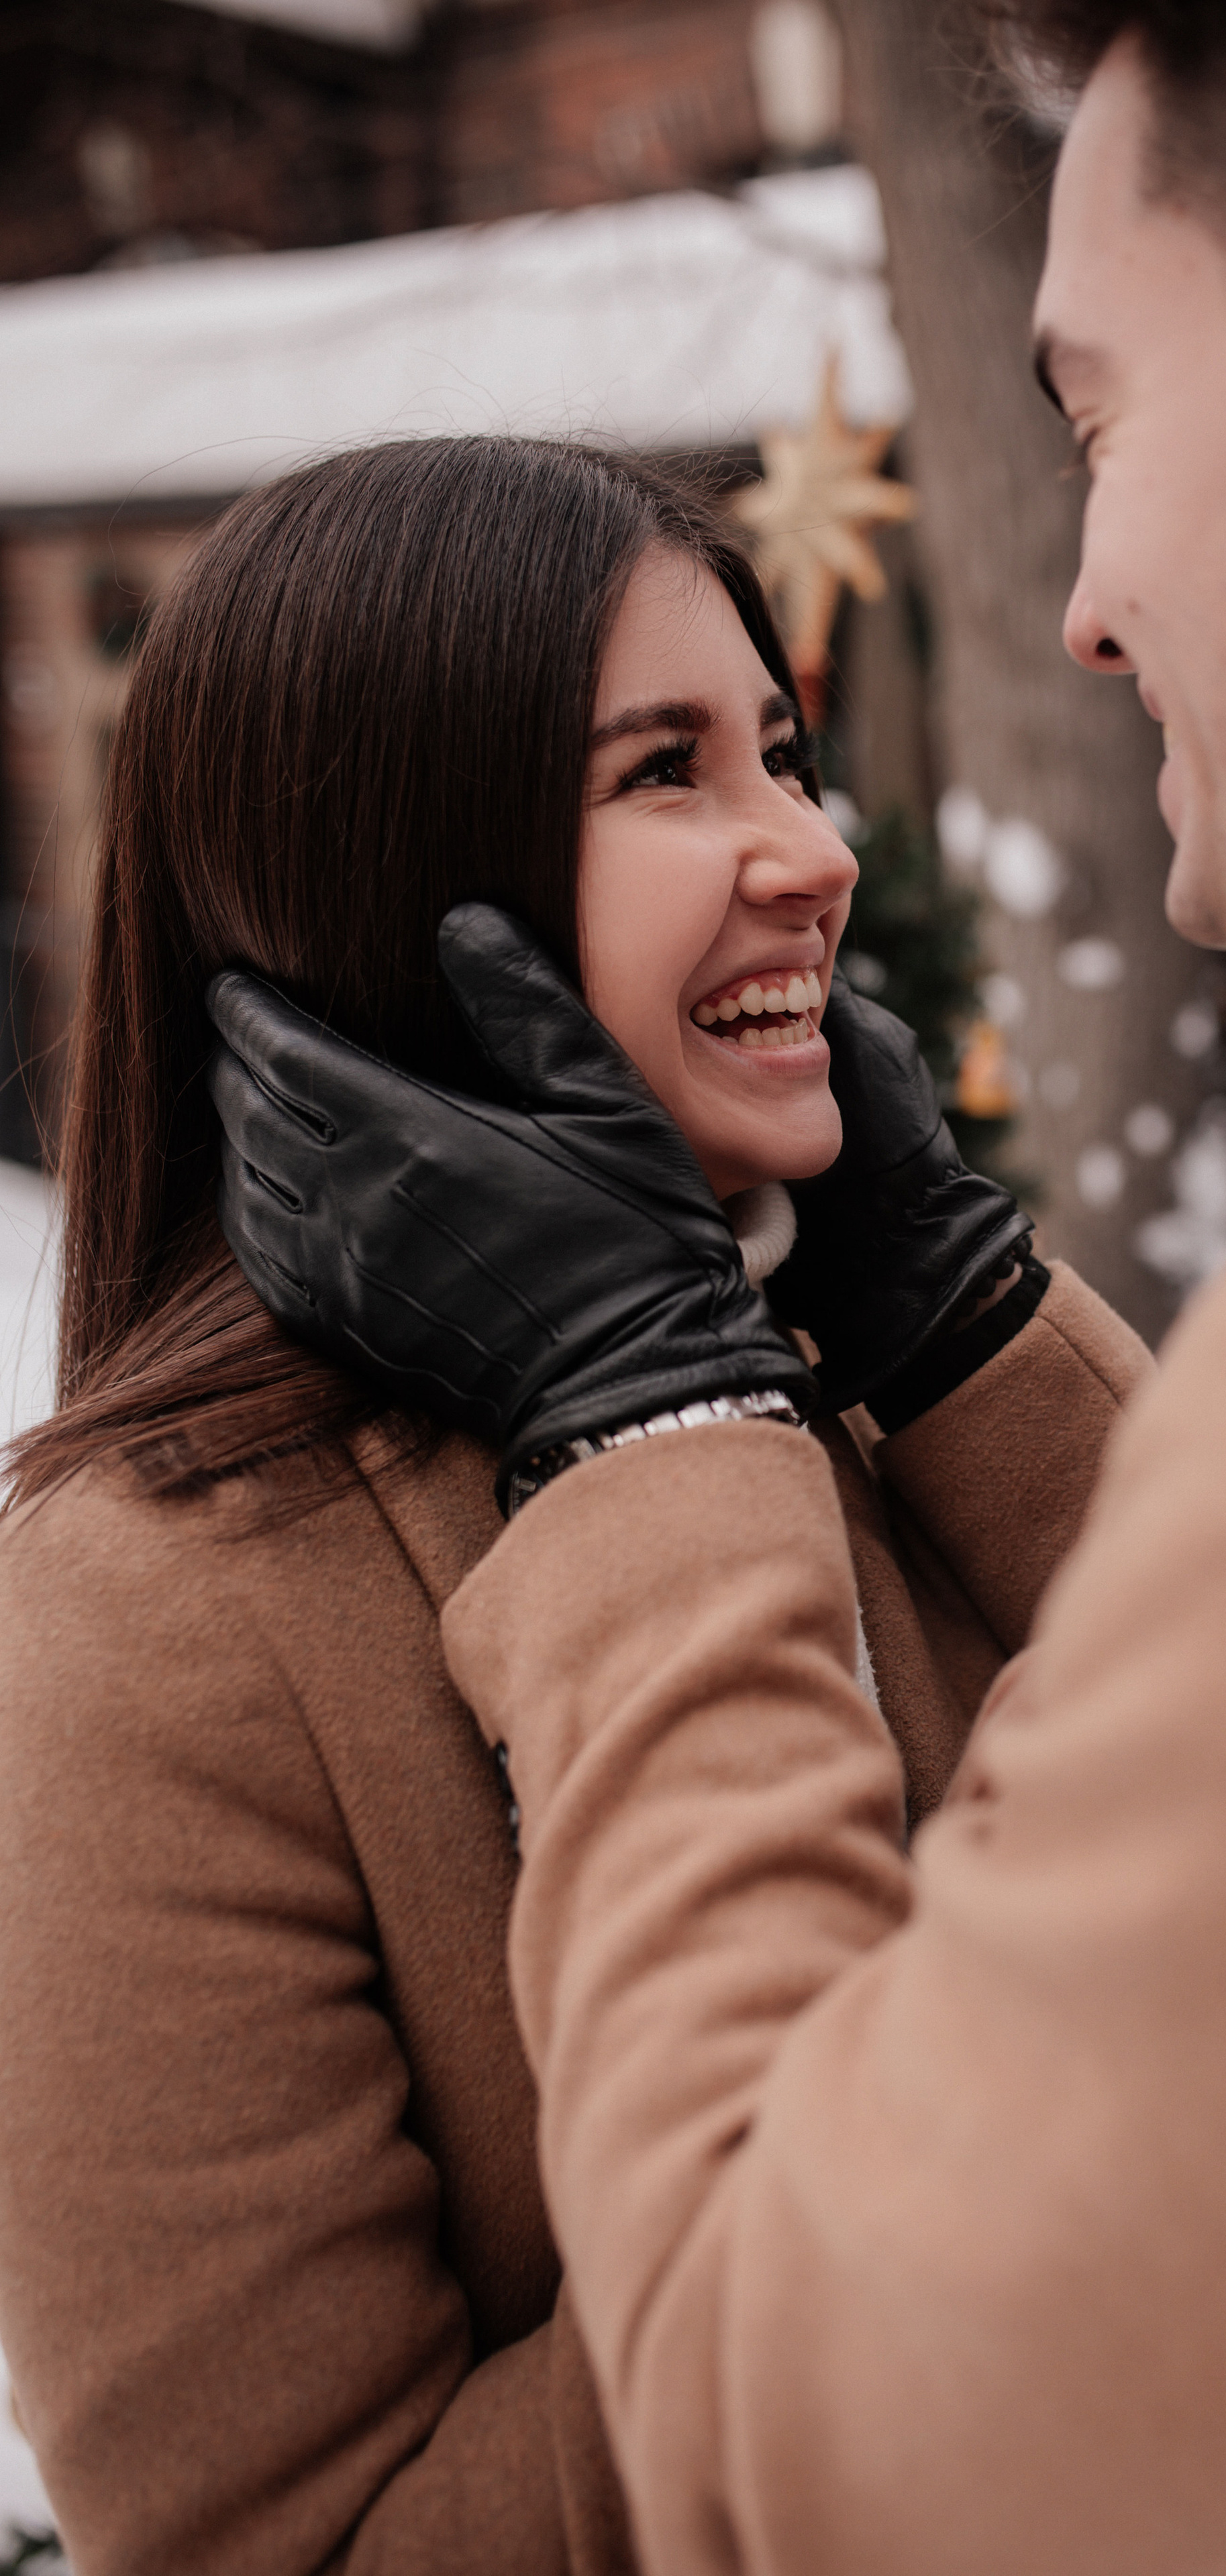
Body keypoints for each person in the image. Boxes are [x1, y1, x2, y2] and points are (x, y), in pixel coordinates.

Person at [209, 0, 1226, 2568]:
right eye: (668, 770)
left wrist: (651, 1427)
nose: (1089, 604)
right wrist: (958, 1342)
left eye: (1098, 416)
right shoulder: (163, 1597)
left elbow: (827, 2456)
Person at [0, 434, 1144, 2575]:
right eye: (664, 774)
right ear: (392, 875)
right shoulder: (144, 1608)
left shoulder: (863, 1377)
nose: (813, 849)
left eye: (786, 754)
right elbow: (290, 2540)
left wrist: (970, 1322)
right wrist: (1029, 2156)